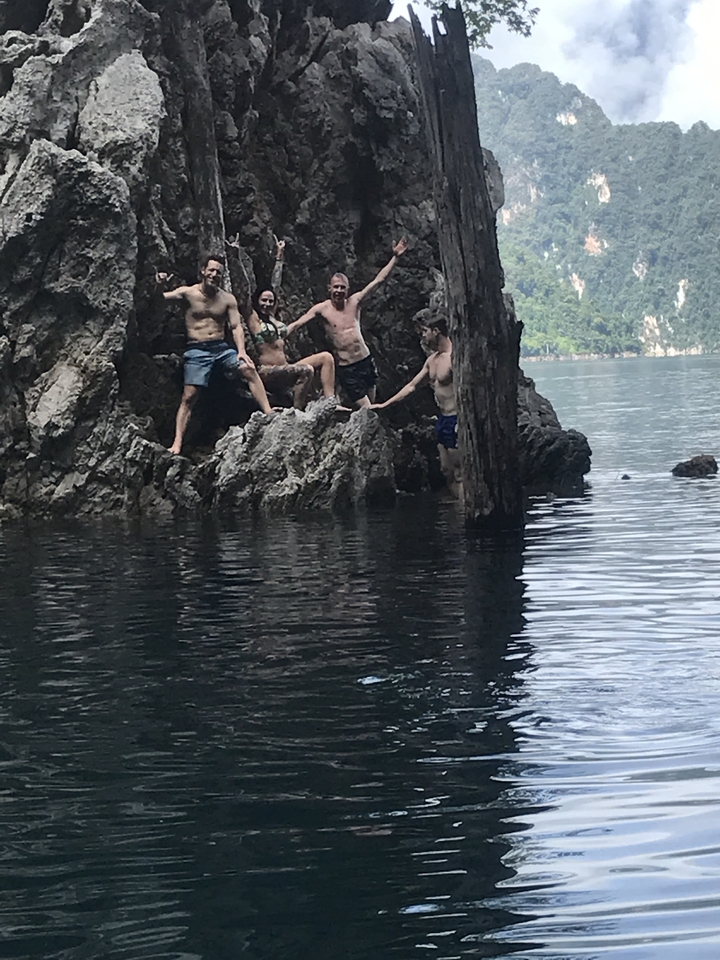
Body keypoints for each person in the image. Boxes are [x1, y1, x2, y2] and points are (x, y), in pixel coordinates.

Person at [156, 254, 274, 456]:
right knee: (189, 395)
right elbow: (161, 300)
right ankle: (177, 443)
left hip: (220, 348)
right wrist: (159, 285)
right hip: (197, 348)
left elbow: (236, 327)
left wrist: (242, 352)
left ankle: (269, 412)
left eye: (218, 272)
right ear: (203, 271)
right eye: (211, 270)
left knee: (248, 368)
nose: (214, 274)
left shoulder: (227, 299)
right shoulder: (188, 293)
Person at [290, 237, 408, 407]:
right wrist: (282, 332)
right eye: (336, 287)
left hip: (365, 360)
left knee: (372, 409)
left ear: (347, 289)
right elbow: (300, 322)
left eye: (342, 287)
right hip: (347, 368)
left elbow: (378, 281)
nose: (339, 291)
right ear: (329, 288)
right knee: (367, 409)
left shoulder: (355, 302)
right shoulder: (322, 309)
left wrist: (395, 258)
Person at [230, 236, 337, 409]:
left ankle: (330, 402)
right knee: (306, 370)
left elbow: (275, 287)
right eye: (263, 300)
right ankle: (296, 411)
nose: (267, 304)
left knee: (326, 357)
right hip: (266, 372)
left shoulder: (277, 322)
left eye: (270, 301)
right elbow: (243, 293)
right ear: (258, 302)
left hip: (286, 369)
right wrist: (234, 257)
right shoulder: (254, 320)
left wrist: (279, 257)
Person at [370, 311, 462, 500]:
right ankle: (456, 516)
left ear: (436, 331)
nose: (422, 335)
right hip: (443, 419)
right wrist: (385, 404)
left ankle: (466, 516)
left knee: (460, 472)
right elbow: (412, 386)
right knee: (446, 471)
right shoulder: (432, 360)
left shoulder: (455, 358)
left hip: (456, 420)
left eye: (425, 331)